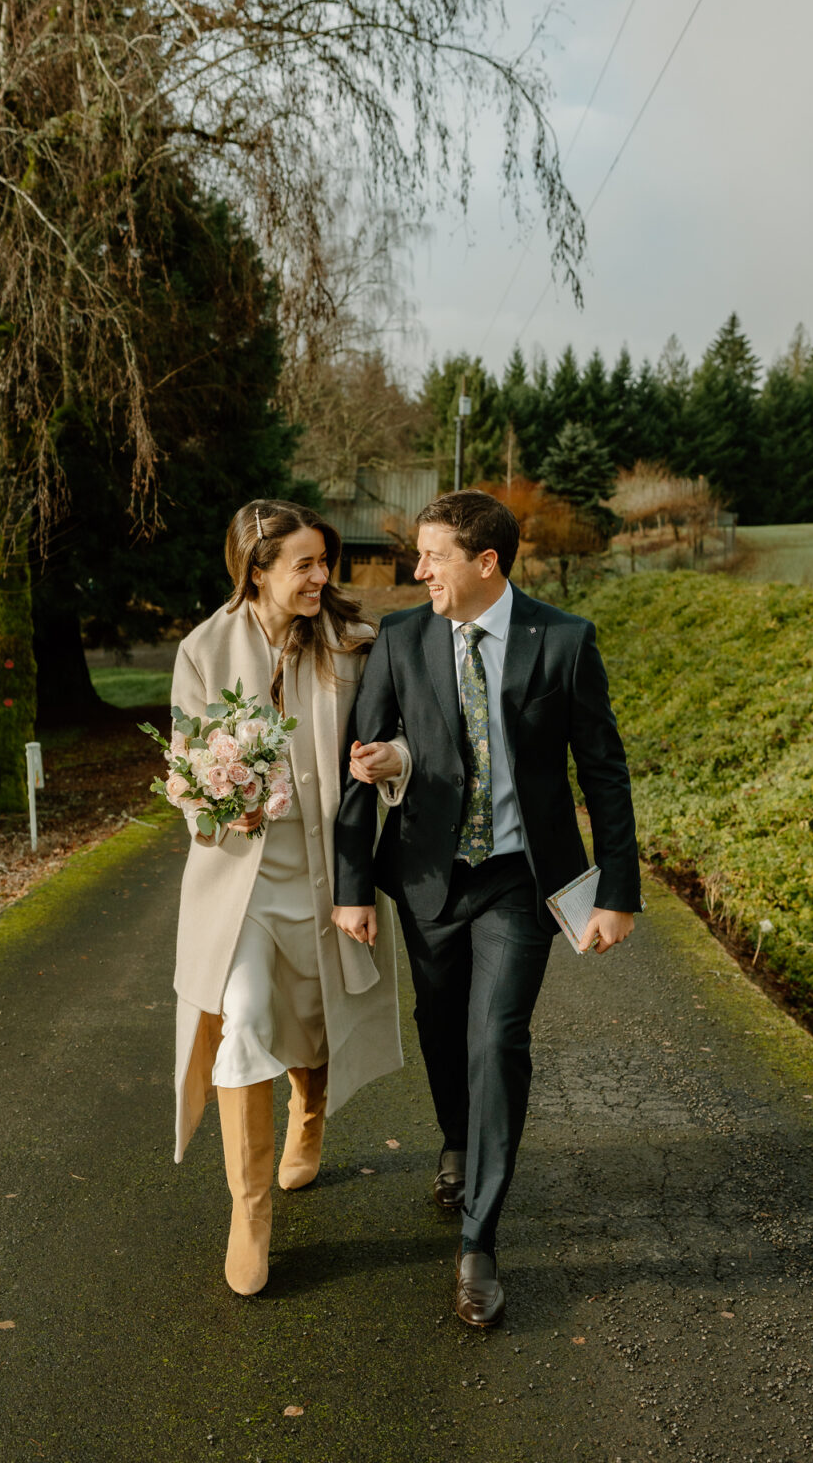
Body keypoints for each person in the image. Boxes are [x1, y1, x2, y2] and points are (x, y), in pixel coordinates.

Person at [333, 489, 642, 1328]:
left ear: (486, 562)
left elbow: (603, 771)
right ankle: (457, 1141)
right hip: (429, 878)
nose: (417, 569)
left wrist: (619, 890)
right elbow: (360, 765)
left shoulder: (565, 641)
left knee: (495, 1036)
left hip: (518, 880)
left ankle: (480, 1241)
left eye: (432, 555)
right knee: (439, 1023)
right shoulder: (401, 638)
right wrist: (351, 885)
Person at [170, 499, 408, 1296]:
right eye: (302, 564)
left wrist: (391, 762)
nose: (320, 577)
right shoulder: (202, 649)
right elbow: (184, 763)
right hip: (240, 885)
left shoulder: (355, 644)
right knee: (242, 1020)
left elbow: (405, 741)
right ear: (257, 571)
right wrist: (214, 790)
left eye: (322, 561)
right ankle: (249, 1211)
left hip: (328, 874)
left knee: (312, 1015)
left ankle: (311, 1109)